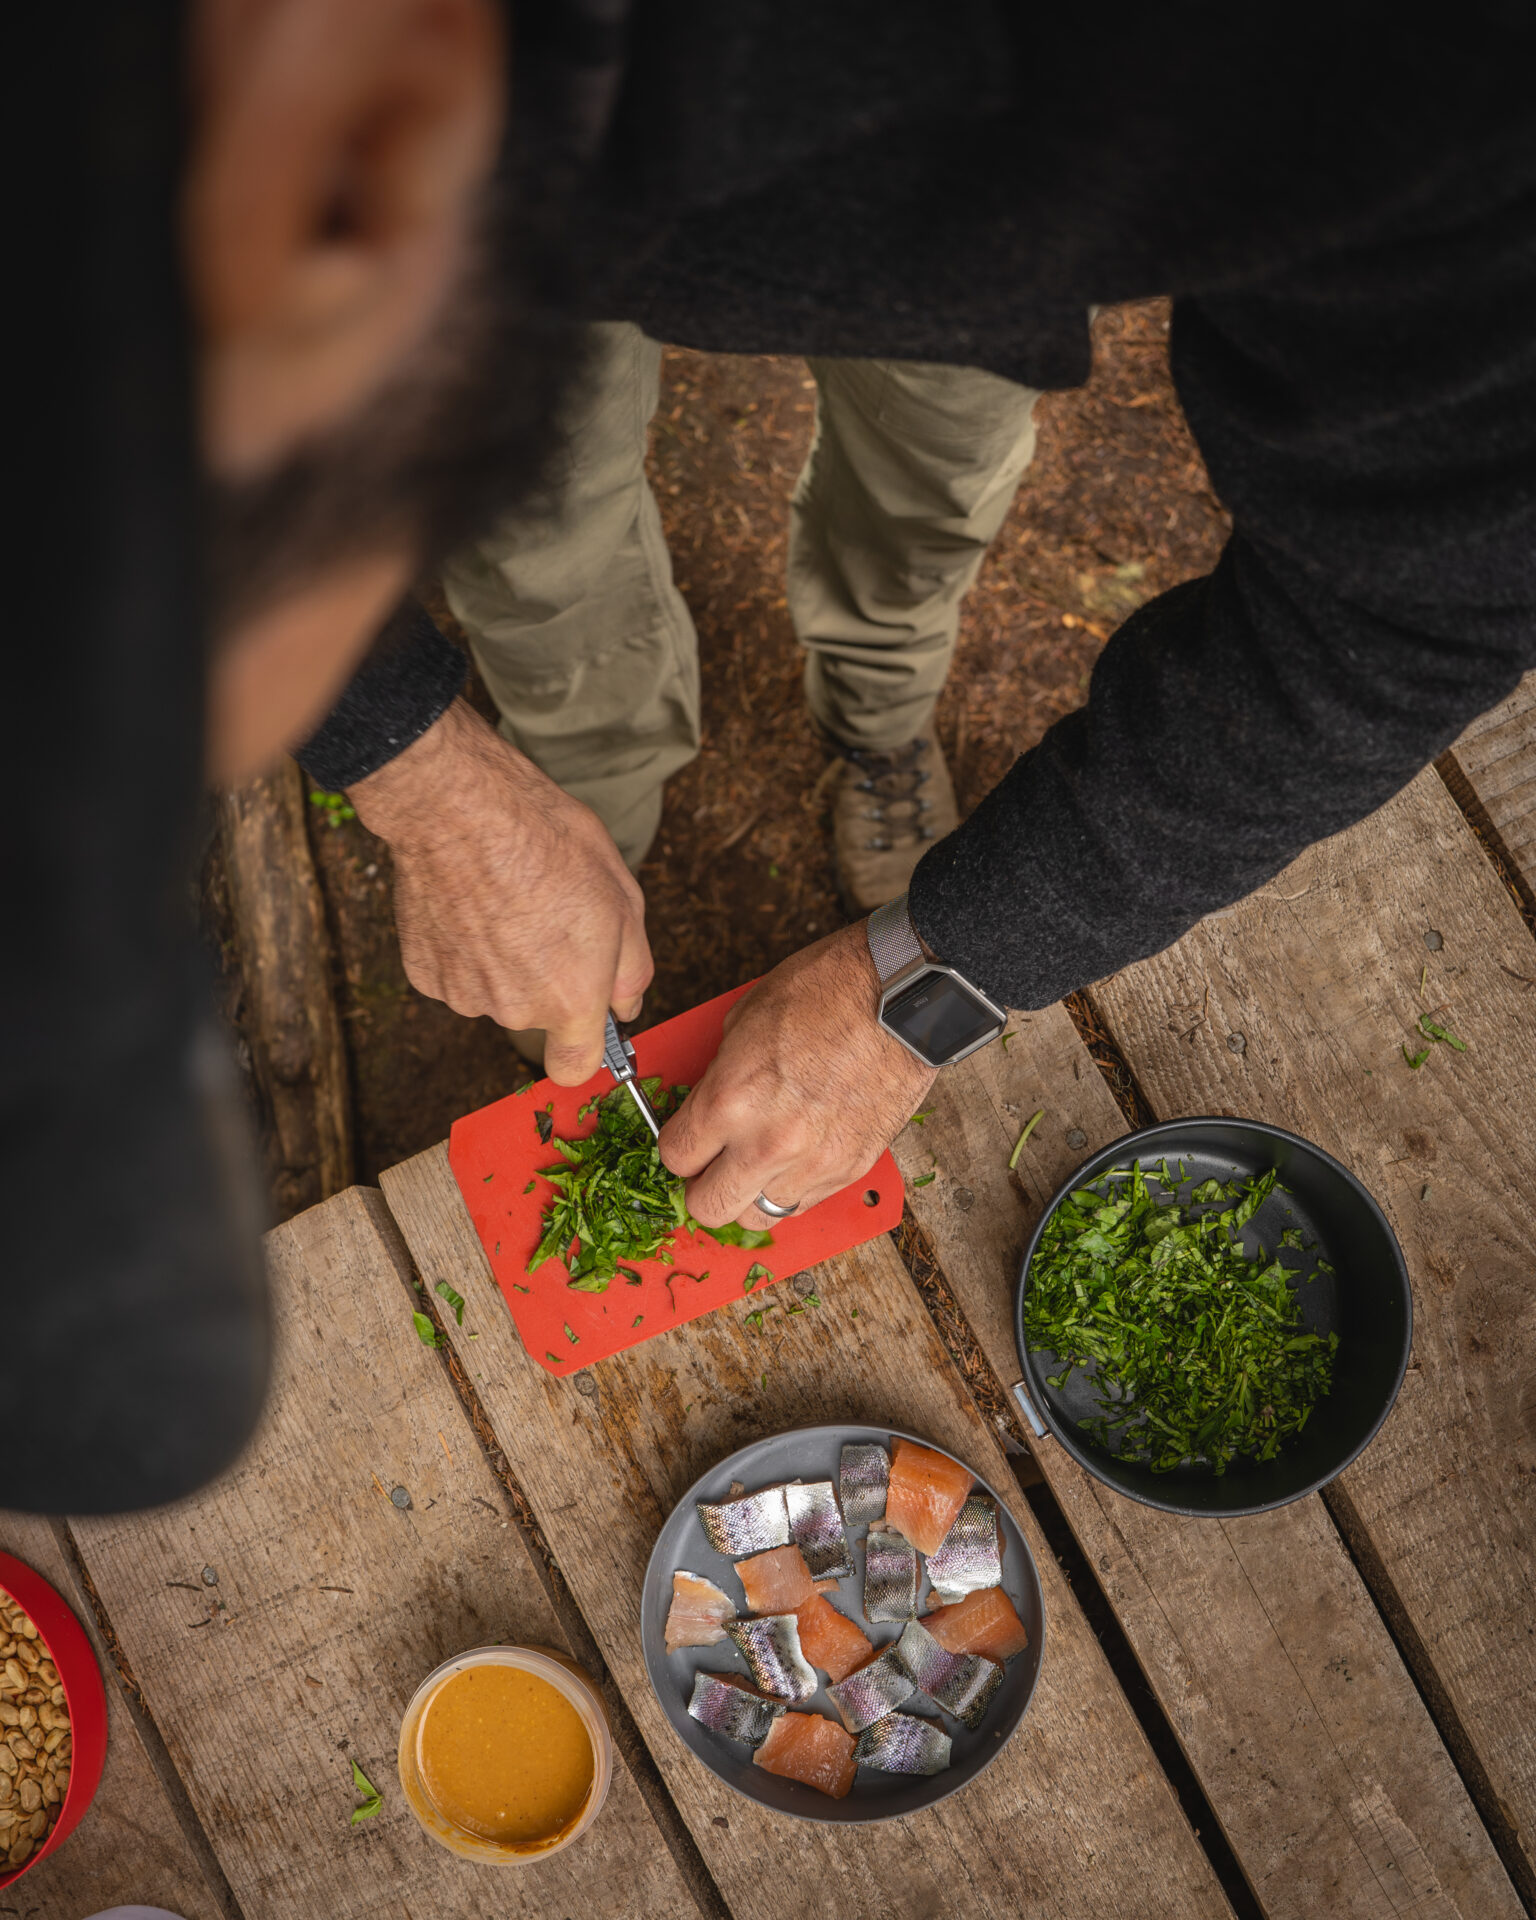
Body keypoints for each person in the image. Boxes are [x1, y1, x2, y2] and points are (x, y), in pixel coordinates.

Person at [9, 0, 1533, 1511]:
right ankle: (592, 772)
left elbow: (1406, 609)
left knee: (924, 502)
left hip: (956, 213)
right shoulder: (191, 157)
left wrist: (927, 983)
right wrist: (421, 767)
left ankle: (873, 713)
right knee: (539, 545)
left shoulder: (1413, 82)